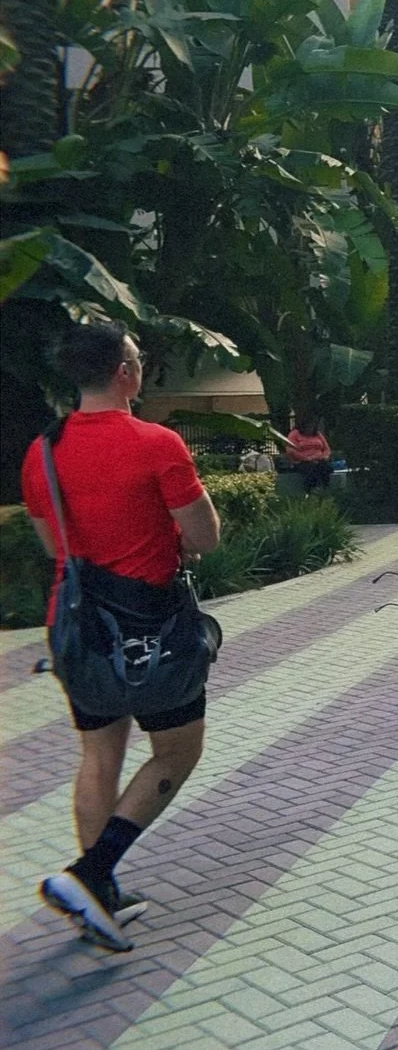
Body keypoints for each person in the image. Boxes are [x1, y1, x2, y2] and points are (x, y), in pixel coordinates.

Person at [22, 322, 221, 952]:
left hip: (78, 630)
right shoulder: (155, 443)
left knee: (99, 752)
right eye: (136, 360)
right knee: (177, 751)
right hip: (150, 628)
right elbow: (205, 537)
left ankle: (99, 897)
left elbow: (56, 548)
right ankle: (92, 873)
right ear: (123, 373)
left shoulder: (42, 451)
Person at [283, 415, 332, 490]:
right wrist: (307, 458)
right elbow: (290, 450)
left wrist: (324, 456)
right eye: (309, 425)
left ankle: (325, 489)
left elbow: (326, 449)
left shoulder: (318, 434)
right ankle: (311, 490)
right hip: (302, 461)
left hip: (319, 459)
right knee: (310, 469)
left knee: (325, 468)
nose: (311, 428)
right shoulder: (294, 434)